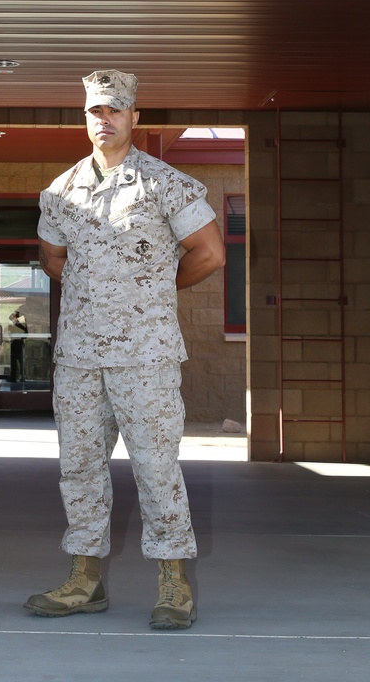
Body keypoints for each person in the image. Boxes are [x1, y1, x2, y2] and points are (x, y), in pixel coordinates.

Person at [25, 70, 225, 630]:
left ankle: (173, 584)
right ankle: (85, 580)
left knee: (156, 468)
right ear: (85, 118)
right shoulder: (60, 192)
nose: (104, 119)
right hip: (80, 358)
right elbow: (53, 259)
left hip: (145, 357)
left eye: (114, 110)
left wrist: (154, 290)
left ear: (134, 117)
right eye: (94, 111)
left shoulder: (168, 184)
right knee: (79, 468)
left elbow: (209, 253)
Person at [7, 308, 28, 385]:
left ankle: (16, 377)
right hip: (18, 343)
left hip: (16, 343)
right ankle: (19, 377)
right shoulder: (21, 324)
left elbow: (24, 333)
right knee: (18, 361)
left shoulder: (18, 324)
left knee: (17, 361)